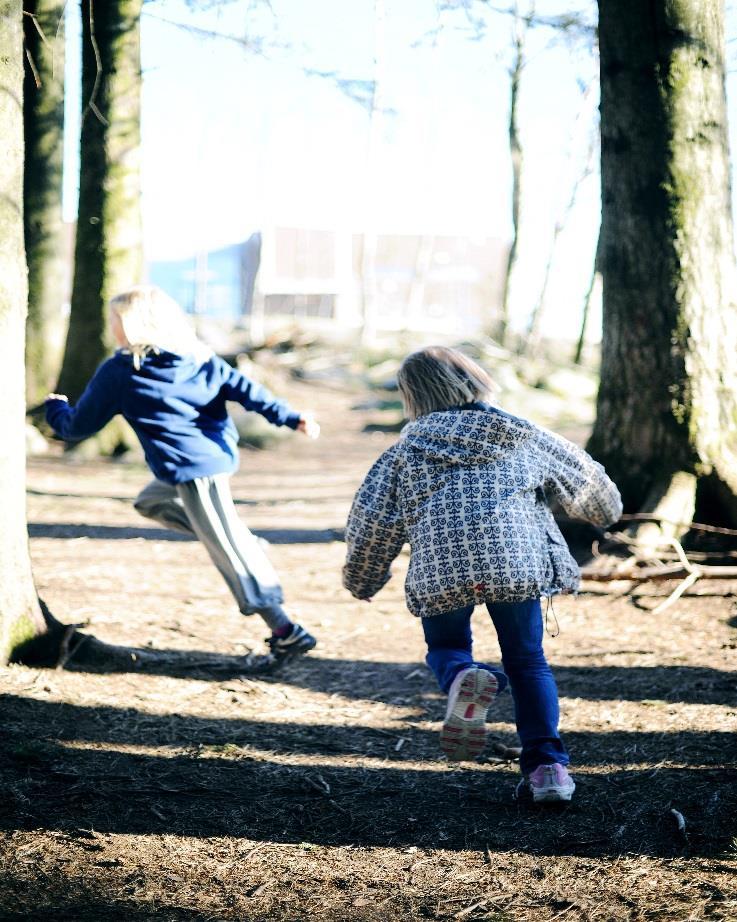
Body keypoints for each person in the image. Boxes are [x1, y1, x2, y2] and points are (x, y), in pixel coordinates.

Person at [342, 346, 622, 803]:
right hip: (515, 564)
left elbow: (371, 525)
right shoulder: (523, 435)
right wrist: (606, 513)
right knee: (527, 660)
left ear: (412, 396)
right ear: (474, 380)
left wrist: (363, 580)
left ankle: (460, 679)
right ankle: (547, 769)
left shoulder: (403, 453)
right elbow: (591, 488)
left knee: (448, 647)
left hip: (441, 569)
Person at [45, 285, 319, 660]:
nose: (112, 329)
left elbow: (77, 426)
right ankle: (234, 536)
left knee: (228, 552)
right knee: (149, 502)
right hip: (204, 461)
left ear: (137, 326)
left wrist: (55, 410)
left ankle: (286, 630)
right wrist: (290, 417)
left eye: (116, 321)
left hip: (194, 471)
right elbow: (248, 390)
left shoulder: (122, 371)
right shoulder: (197, 358)